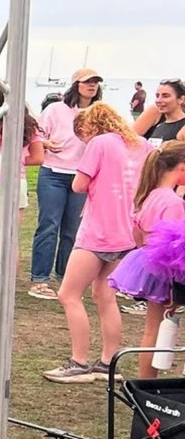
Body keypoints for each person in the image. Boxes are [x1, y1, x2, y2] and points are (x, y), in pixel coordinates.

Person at [44, 104, 152, 382]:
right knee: (105, 295)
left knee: (68, 294)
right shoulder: (142, 145)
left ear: (88, 127)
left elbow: (79, 185)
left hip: (98, 230)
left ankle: (78, 361)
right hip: (128, 230)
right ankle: (107, 363)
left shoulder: (100, 143)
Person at [109, 142, 185, 379]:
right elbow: (174, 245)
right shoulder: (173, 202)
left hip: (149, 262)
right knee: (160, 328)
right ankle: (150, 382)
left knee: (152, 329)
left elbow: (139, 234)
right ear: (181, 168)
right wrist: (174, 287)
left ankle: (146, 381)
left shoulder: (149, 195)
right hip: (167, 271)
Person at [28, 68, 104, 299]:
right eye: (87, 82)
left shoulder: (99, 112)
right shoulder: (55, 109)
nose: (92, 85)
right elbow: (36, 133)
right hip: (54, 172)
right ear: (76, 85)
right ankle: (39, 279)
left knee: (73, 230)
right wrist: (46, 143)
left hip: (82, 175)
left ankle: (66, 276)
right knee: (48, 226)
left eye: (95, 82)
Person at [0, 84, 42, 228]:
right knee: (8, 237)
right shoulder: (28, 125)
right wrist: (17, 160)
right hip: (17, 182)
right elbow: (38, 157)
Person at [136, 79, 184, 144]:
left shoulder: (182, 128)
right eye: (157, 96)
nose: (158, 100)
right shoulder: (159, 126)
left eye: (165, 96)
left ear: (181, 99)